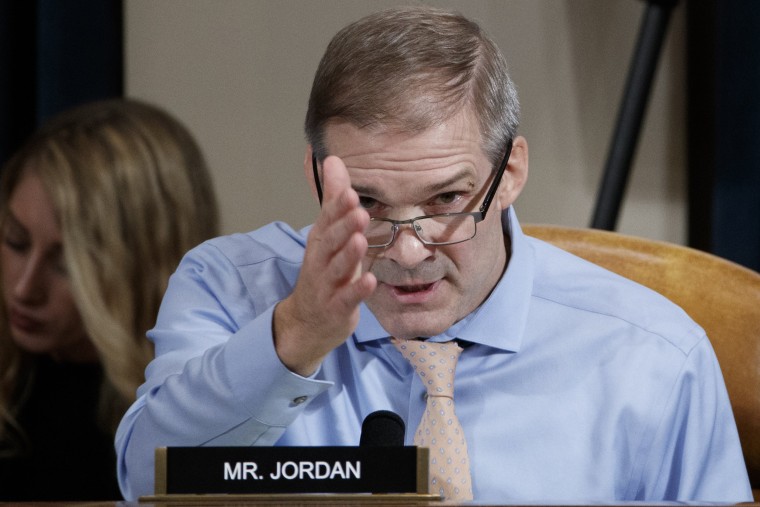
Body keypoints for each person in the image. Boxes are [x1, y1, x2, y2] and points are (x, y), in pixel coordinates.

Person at [116, 6, 752, 503]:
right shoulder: (230, 289)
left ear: (510, 173)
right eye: (367, 202)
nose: (410, 251)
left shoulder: (657, 356)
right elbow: (144, 484)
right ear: (316, 176)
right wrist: (294, 338)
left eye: (447, 198)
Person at [0, 98, 219, 500]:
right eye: (15, 241)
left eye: (66, 264)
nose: (24, 288)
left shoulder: (193, 414)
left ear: (140, 263)